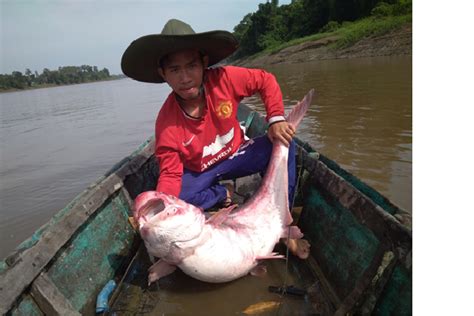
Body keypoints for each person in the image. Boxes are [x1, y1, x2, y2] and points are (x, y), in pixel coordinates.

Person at [121, 19, 309, 259]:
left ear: (204, 63)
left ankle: (283, 222)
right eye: (175, 70)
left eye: (191, 66)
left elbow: (265, 80)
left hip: (238, 155)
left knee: (283, 143)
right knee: (177, 198)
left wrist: (275, 119)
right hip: (201, 171)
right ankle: (222, 193)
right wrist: (164, 211)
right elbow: (170, 174)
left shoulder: (225, 79)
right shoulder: (166, 122)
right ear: (163, 75)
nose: (185, 77)